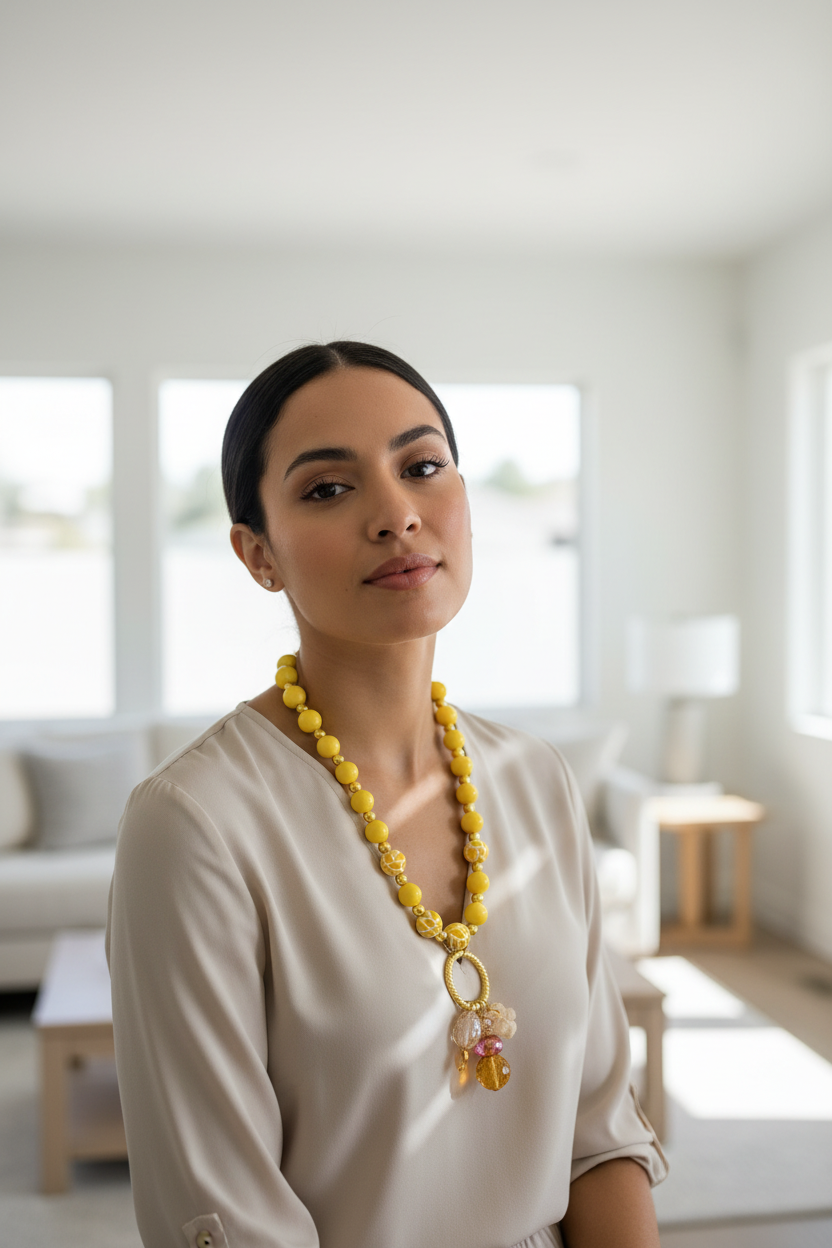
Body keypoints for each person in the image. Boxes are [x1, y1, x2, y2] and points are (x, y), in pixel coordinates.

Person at [107, 341, 666, 1248]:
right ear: (259, 555)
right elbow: (226, 1218)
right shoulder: (194, 826)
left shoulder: (534, 779)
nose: (398, 514)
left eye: (423, 466)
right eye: (329, 488)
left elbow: (600, 1138)